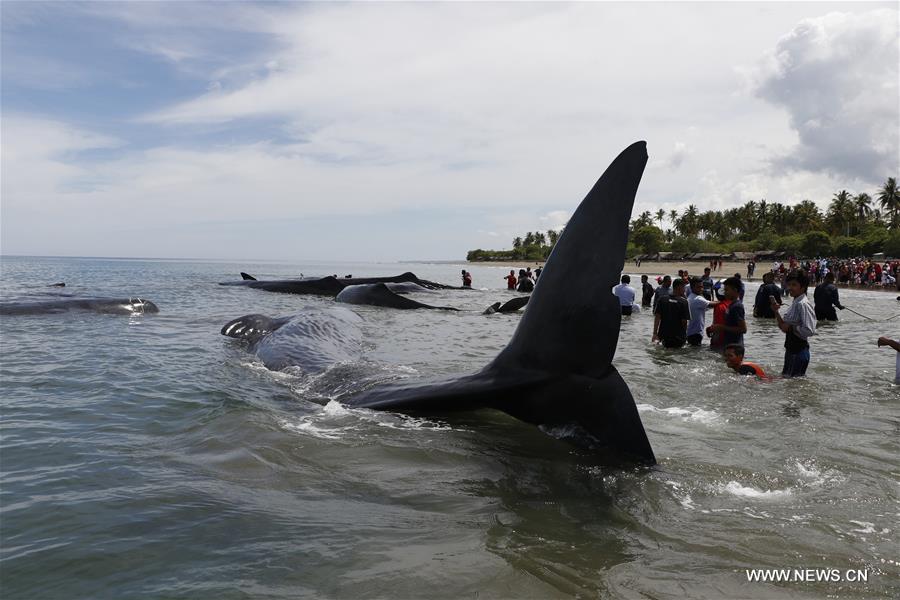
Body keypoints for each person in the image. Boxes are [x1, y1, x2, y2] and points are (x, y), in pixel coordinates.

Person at [770, 270, 816, 377]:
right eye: (789, 284)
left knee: (794, 385)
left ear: (803, 287)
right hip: (790, 350)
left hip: (799, 351)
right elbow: (783, 327)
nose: (790, 288)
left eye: (794, 285)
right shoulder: (795, 302)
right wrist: (776, 311)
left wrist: (791, 328)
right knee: (790, 386)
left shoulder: (803, 304)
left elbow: (809, 330)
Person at [706, 277, 746, 350]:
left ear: (735, 290)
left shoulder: (737, 306)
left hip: (735, 347)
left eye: (727, 290)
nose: (724, 292)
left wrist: (722, 327)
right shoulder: (731, 305)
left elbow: (743, 329)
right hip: (727, 345)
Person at [653, 278, 690, 348]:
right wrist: (684, 336)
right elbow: (684, 322)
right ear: (679, 287)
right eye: (683, 287)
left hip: (663, 335)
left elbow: (657, 317)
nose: (684, 290)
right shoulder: (684, 302)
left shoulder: (662, 299)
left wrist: (655, 334)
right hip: (678, 337)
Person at [687, 277, 720, 346]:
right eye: (698, 287)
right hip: (696, 333)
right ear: (692, 288)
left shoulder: (691, 296)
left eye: (702, 287)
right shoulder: (698, 299)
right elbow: (713, 304)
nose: (701, 289)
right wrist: (727, 300)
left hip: (690, 332)